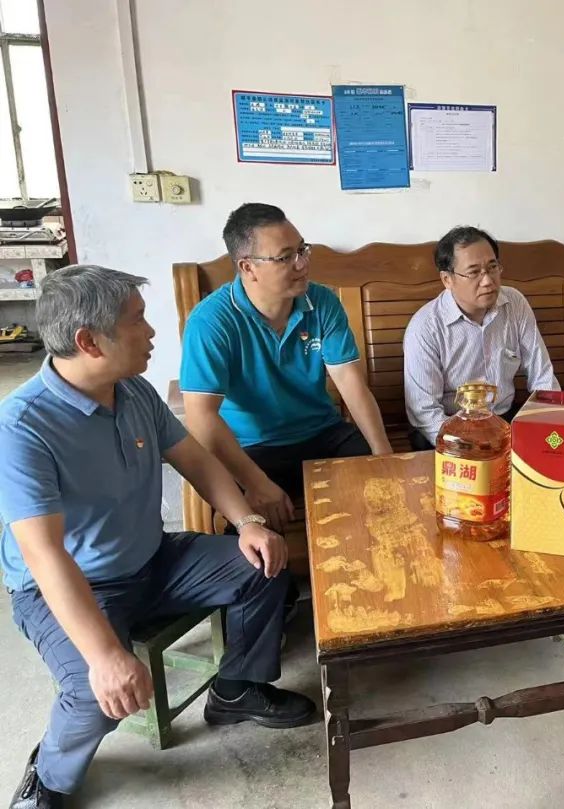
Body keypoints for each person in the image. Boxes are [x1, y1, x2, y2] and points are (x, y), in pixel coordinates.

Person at [2, 266, 315, 809]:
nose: (151, 333)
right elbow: (44, 554)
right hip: (71, 586)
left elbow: (195, 458)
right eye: (137, 321)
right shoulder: (21, 427)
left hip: (153, 558)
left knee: (264, 562)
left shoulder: (133, 390)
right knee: (94, 693)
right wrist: (105, 656)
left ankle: (236, 689)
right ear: (88, 341)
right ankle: (48, 778)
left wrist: (248, 523)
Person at [180, 203, 392, 534]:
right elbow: (200, 417)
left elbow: (351, 383)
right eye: (285, 257)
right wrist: (256, 482)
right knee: (258, 541)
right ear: (248, 267)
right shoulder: (211, 321)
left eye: (302, 250)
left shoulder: (322, 302)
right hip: (251, 449)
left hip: (323, 434)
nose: (302, 264)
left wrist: (384, 456)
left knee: (383, 504)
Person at [403, 225, 559, 449]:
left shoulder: (514, 303)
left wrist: (552, 425)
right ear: (447, 279)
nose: (488, 281)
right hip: (449, 427)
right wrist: (470, 447)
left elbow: (543, 377)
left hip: (503, 420)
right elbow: (424, 412)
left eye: (492, 267)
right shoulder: (425, 327)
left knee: (556, 450)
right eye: (474, 272)